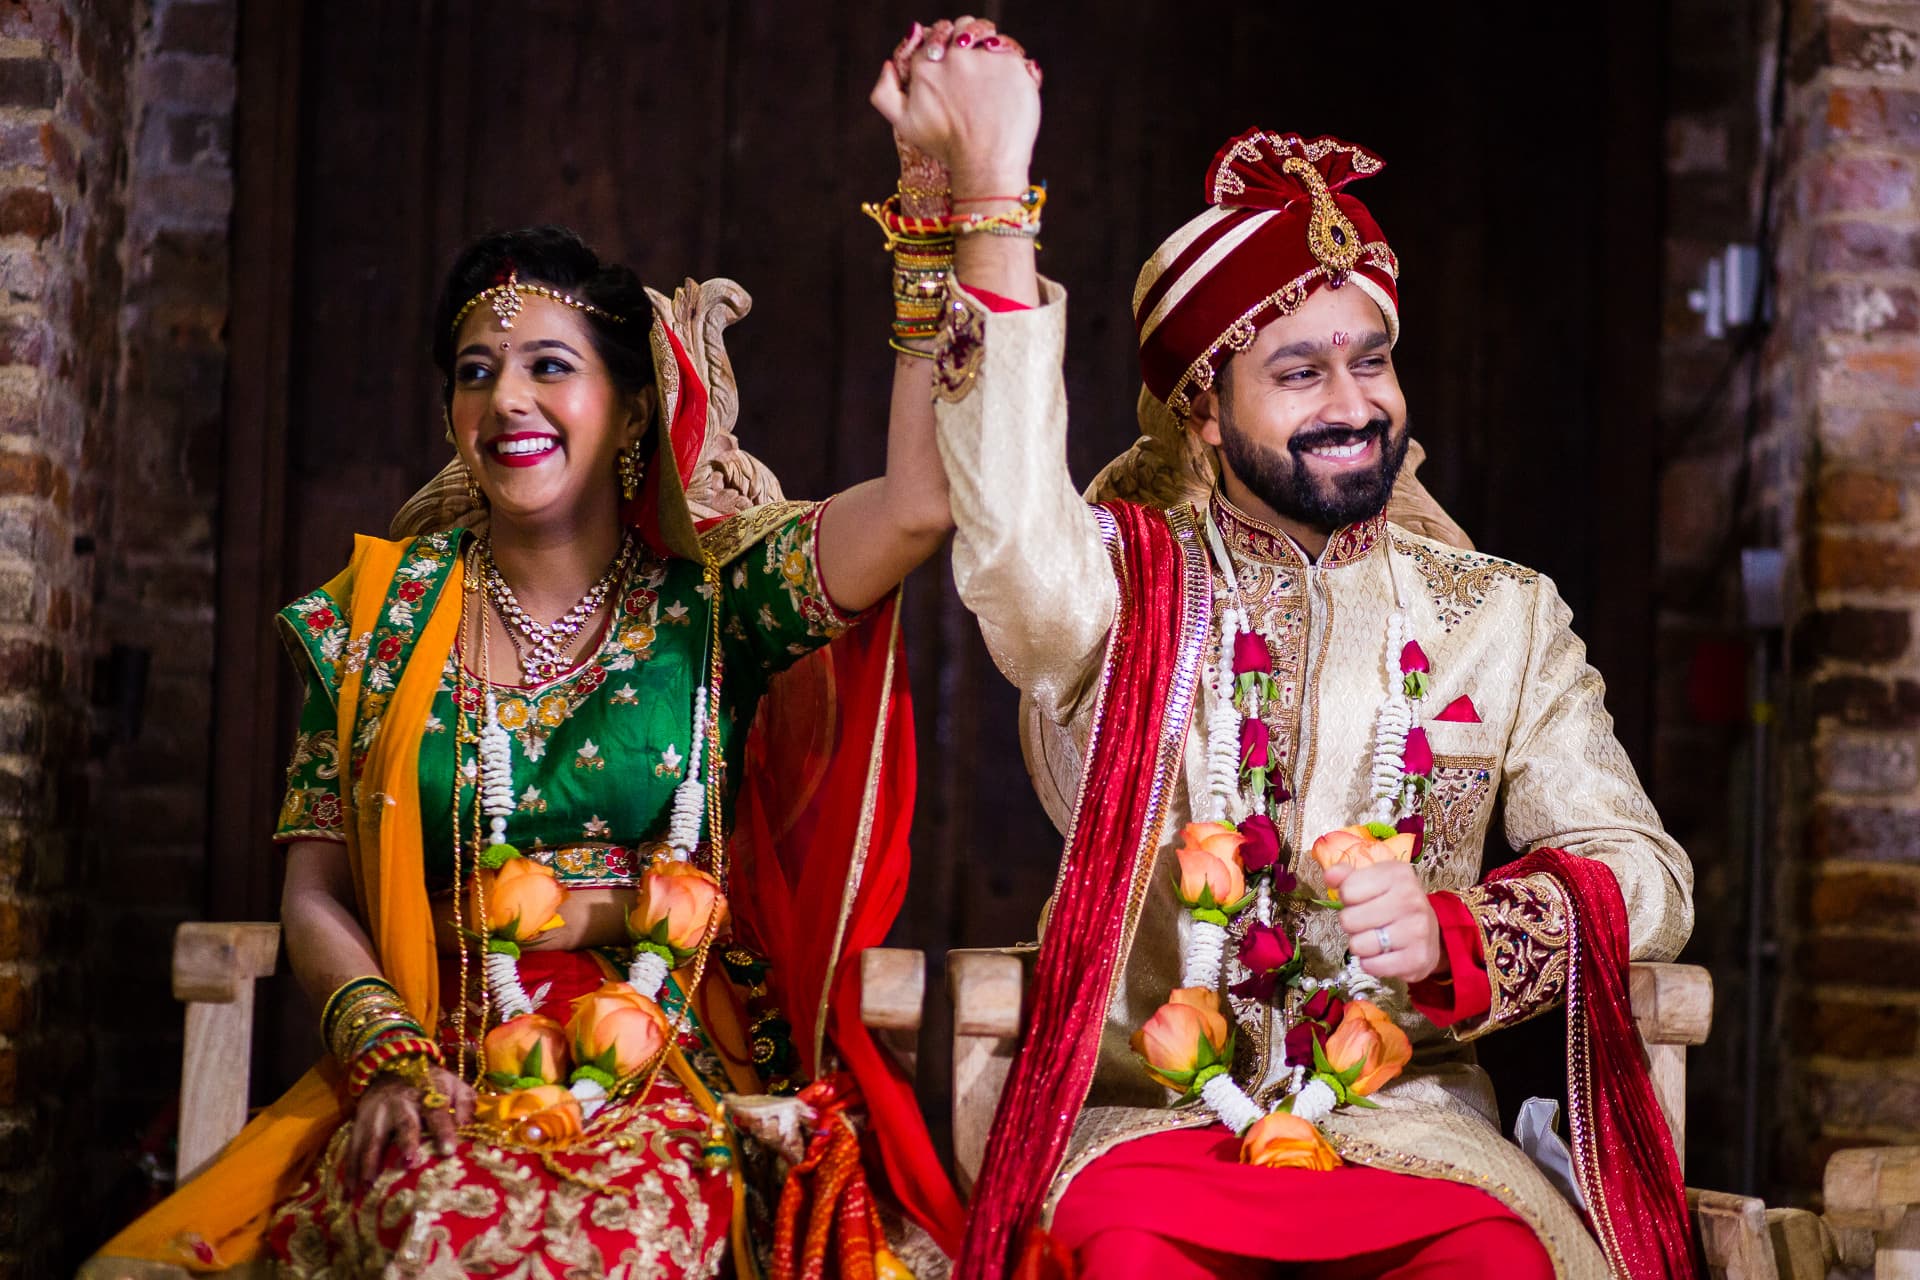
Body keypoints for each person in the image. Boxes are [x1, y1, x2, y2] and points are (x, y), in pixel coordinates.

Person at [81, 40, 1055, 1263]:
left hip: (664, 1062)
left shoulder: (715, 600)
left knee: (628, 1240)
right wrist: (382, 1054)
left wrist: (940, 211)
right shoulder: (375, 618)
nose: (507, 403)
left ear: (633, 406)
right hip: (433, 1053)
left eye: (551, 367)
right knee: (428, 1224)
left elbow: (918, 503)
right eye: (477, 373)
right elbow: (318, 888)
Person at [878, 35, 1698, 1280]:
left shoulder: (1500, 614)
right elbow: (1013, 552)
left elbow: (1645, 869)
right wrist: (994, 195)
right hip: (1153, 1123)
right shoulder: (1122, 588)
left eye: (1370, 360)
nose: (1353, 402)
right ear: (1203, 408)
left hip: (1411, 1129)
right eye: (1299, 372)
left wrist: (1461, 931)